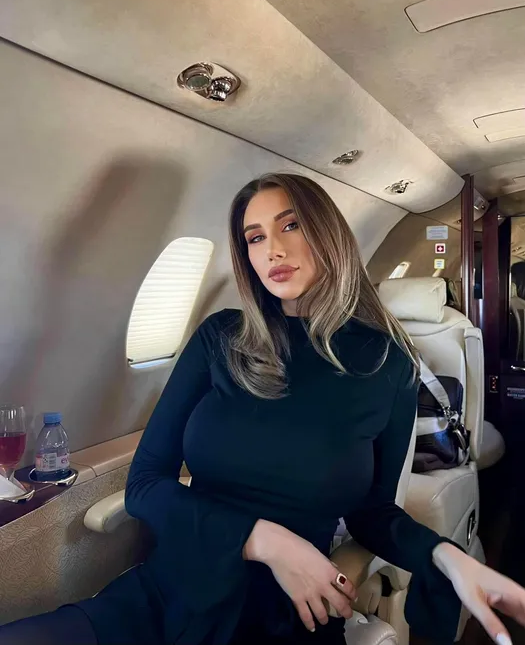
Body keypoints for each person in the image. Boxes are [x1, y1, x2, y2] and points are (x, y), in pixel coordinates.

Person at [1, 173, 525, 645]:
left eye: (291, 225)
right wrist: (265, 540)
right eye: (254, 238)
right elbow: (144, 484)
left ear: (329, 234)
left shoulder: (387, 364)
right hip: (171, 589)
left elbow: (374, 514)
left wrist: (445, 556)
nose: (273, 249)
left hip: (288, 613)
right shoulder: (220, 338)